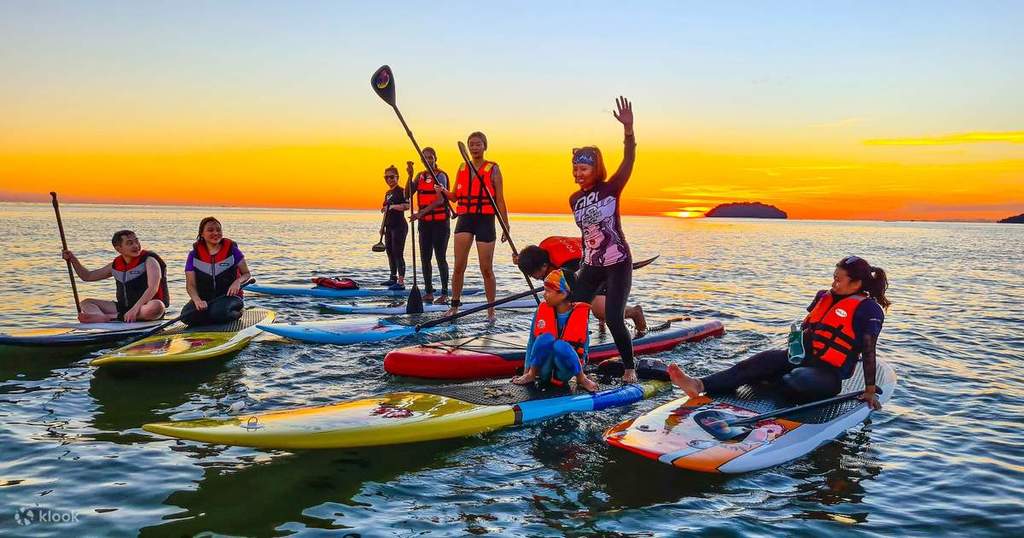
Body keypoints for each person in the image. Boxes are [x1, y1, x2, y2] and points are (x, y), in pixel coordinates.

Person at [668, 256, 890, 410]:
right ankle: (697, 384)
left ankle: (772, 387)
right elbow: (809, 327)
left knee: (795, 380)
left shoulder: (868, 310)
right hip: (799, 359)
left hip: (828, 374)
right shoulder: (823, 296)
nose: (833, 283)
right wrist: (796, 341)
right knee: (755, 363)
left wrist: (869, 390)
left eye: (839, 280)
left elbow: (869, 350)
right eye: (834, 276)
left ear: (856, 284)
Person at [568, 96, 638, 382]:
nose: (578, 174)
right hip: (592, 265)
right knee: (574, 313)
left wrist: (628, 130)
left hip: (618, 262)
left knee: (613, 318)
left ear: (595, 169)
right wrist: (579, 266)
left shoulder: (611, 188)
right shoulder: (574, 199)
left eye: (583, 169)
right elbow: (585, 235)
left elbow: (629, 160)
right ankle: (576, 367)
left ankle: (630, 368)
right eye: (575, 169)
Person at [437, 131, 511, 321]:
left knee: (486, 268)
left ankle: (491, 311)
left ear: (484, 146)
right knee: (458, 266)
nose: (474, 147)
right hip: (465, 218)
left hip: (485, 220)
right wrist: (442, 191)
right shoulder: (462, 167)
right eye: (471, 144)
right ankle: (454, 306)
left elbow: (500, 200)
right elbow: (455, 197)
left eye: (478, 144)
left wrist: (506, 225)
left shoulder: (493, 168)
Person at [516, 236, 647, 336]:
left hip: (602, 265)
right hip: (593, 253)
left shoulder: (569, 268)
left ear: (544, 265)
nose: (534, 278)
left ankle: (635, 313)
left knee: (599, 310)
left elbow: (580, 300)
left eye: (533, 274)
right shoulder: (543, 249)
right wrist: (521, 259)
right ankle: (602, 327)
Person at [512, 269, 600, 392]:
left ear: (563, 294)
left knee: (560, 346)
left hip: (563, 371)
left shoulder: (580, 314)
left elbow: (584, 348)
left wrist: (582, 368)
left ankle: (582, 379)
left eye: (548, 291)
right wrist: (526, 372)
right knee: (545, 338)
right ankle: (531, 375)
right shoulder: (541, 310)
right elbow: (532, 342)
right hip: (544, 369)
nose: (544, 295)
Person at [61, 230, 169, 323]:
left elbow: (153, 288)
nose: (136, 246)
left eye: (136, 241)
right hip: (123, 308)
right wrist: (73, 260)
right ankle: (102, 318)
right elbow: (87, 276)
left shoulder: (150, 261)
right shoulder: (115, 265)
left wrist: (135, 309)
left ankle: (110, 317)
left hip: (144, 308)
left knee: (157, 306)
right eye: (130, 243)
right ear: (119, 249)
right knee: (86, 303)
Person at [182, 217, 251, 327]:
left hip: (229, 297)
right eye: (210, 230)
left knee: (218, 313)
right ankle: (209, 315)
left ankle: (239, 312)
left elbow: (247, 274)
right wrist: (197, 300)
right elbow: (190, 285)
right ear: (202, 234)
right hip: (206, 299)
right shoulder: (194, 255)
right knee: (186, 316)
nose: (215, 233)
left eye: (218, 230)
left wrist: (237, 282)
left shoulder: (232, 250)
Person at [406, 148, 452, 303]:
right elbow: (407, 194)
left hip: (440, 223)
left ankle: (444, 293)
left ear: (435, 158)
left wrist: (420, 213)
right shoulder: (419, 176)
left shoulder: (440, 176)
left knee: (440, 257)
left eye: (430, 157)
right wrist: (410, 175)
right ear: (422, 160)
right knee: (425, 258)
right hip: (425, 224)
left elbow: (440, 200)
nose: (428, 160)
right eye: (425, 158)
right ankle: (429, 292)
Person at [379, 165, 410, 289]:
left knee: (398, 253)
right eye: (386, 177)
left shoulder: (402, 191)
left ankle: (401, 282)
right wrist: (382, 227)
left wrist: (392, 207)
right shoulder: (388, 193)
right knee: (390, 252)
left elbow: (407, 206)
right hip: (389, 226)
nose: (389, 179)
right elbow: (386, 211)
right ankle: (393, 278)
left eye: (391, 177)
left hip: (399, 226)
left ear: (397, 177)